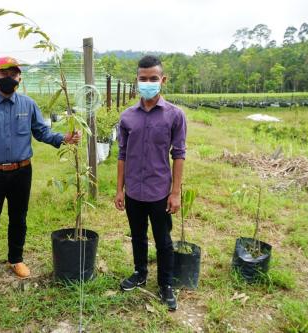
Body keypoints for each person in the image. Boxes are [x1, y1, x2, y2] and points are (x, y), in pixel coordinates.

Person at [0, 56, 80, 297]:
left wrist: (62, 139)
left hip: (21, 171)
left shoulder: (28, 104)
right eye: (3, 74)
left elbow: (41, 132)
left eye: (13, 74)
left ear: (19, 78)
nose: (9, 78)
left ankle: (16, 258)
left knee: (19, 218)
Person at [114, 55, 187, 311]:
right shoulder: (127, 117)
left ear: (162, 80)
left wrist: (175, 193)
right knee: (137, 236)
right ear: (137, 81)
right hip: (134, 190)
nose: (148, 83)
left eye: (153, 79)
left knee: (163, 240)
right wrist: (119, 189)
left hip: (159, 192)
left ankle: (165, 284)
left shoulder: (174, 116)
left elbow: (178, 155)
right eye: (143, 79)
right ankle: (140, 272)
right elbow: (122, 155)